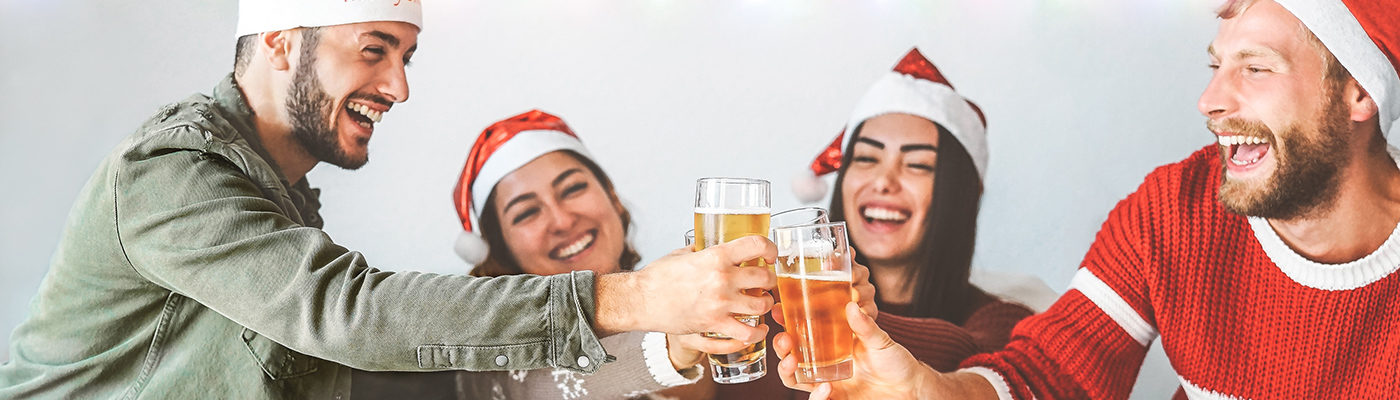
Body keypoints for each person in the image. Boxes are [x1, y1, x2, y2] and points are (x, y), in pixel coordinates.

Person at [0, 2, 780, 398]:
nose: (400, 87)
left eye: (406, 56)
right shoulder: (172, 170)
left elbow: (470, 377)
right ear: (279, 41)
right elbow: (351, 315)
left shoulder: (280, 194)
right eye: (375, 50)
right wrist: (642, 296)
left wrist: (670, 347)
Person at [772, 0, 1400, 398]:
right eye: (1216, 66)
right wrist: (933, 394)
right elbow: (1055, 370)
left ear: (1358, 94)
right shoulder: (1174, 209)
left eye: (1255, 69)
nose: (1211, 101)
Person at [720, 48, 1040, 399]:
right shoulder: (767, 310)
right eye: (867, 159)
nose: (884, 181)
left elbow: (971, 363)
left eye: (917, 164)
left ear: (959, 195)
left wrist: (845, 316)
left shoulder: (1008, 325)